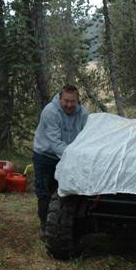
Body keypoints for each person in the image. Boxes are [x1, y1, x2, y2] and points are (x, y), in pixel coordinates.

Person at [32, 84, 89, 237]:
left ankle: (69, 226)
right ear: (60, 99)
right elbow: (55, 144)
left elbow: (88, 138)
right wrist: (75, 157)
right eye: (66, 101)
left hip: (70, 156)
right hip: (46, 156)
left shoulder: (84, 114)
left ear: (78, 100)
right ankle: (46, 228)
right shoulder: (50, 112)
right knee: (45, 192)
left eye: (72, 101)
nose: (69, 105)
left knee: (69, 191)